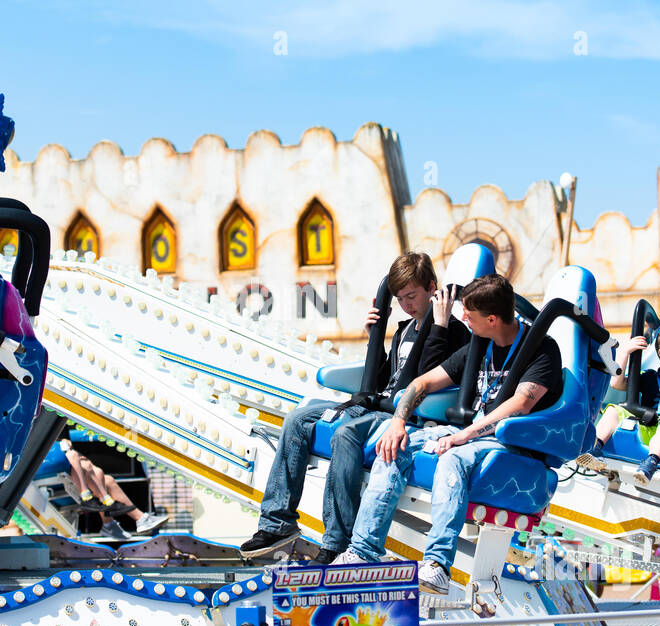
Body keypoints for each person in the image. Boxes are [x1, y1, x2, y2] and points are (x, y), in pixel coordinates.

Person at [336, 274, 562, 594]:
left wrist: (464, 435)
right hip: (469, 433)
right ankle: (362, 552)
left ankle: (437, 565)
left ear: (493, 319)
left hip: (513, 441)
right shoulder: (478, 345)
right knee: (394, 444)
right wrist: (398, 423)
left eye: (469, 314)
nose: (463, 318)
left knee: (453, 457)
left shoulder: (541, 350)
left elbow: (520, 404)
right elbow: (422, 383)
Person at [238, 253, 470, 564]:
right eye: (400, 298)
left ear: (432, 288)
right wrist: (373, 337)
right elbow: (383, 379)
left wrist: (439, 328)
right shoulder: (403, 331)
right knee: (297, 419)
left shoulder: (455, 332)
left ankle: (337, 541)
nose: (406, 304)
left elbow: (425, 381)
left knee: (346, 434)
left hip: (403, 415)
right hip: (374, 404)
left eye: (412, 296)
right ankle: (277, 523)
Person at [577, 327, 660, 485]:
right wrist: (625, 352)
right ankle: (595, 449)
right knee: (612, 410)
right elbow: (617, 383)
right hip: (645, 427)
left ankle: (650, 463)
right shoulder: (649, 376)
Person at [58, 440, 166, 540]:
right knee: (82, 462)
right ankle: (116, 516)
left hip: (69, 464)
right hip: (64, 471)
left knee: (106, 478)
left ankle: (112, 523)